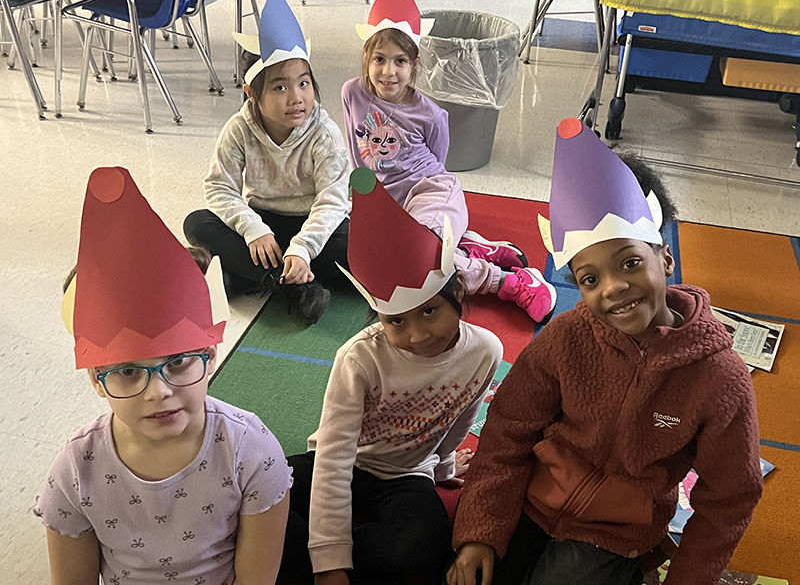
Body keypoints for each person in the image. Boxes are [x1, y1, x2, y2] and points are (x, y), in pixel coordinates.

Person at [447, 118, 764, 585]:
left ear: (666, 259)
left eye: (631, 263)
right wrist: (479, 532)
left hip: (613, 533)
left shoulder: (720, 379)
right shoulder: (565, 337)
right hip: (533, 500)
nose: (613, 288)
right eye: (590, 279)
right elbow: (507, 432)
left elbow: (730, 497)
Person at [35, 167, 293, 585]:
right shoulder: (76, 470)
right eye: (128, 370)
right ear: (96, 379)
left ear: (209, 356)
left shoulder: (251, 451)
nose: (159, 391)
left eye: (178, 363)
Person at [279, 168, 503, 585]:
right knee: (257, 492)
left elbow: (460, 418)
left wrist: (444, 464)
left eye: (429, 311)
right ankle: (319, 550)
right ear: (378, 316)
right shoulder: (359, 358)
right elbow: (333, 456)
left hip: (405, 474)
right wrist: (330, 564)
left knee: (421, 549)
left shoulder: (485, 351)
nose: (416, 334)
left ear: (457, 295)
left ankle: (313, 552)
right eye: (396, 320)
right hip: (345, 463)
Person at [341, 0, 556, 324]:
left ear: (414, 66)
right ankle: (467, 248)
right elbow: (358, 152)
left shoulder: (430, 113)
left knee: (418, 258)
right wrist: (363, 201)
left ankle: (509, 282)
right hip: (388, 204)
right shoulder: (352, 92)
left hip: (431, 191)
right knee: (378, 268)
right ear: (366, 59)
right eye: (379, 60)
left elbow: (438, 163)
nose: (388, 71)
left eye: (400, 61)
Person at [184, 0, 350, 323]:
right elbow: (219, 188)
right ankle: (291, 285)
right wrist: (252, 228)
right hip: (265, 224)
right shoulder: (239, 128)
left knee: (359, 248)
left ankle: (244, 275)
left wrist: (303, 248)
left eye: (304, 83)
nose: (296, 97)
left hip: (313, 223)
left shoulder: (324, 133)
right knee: (197, 222)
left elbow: (333, 201)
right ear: (251, 95)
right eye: (280, 87)